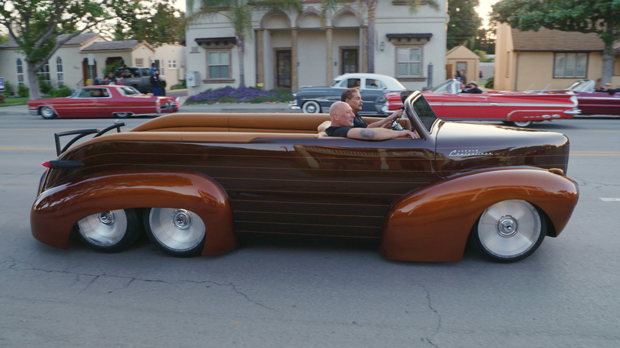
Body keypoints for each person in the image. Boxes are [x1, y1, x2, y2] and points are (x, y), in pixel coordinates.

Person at [318, 88, 403, 132]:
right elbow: (367, 129)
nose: (361, 101)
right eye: (358, 99)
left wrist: (382, 127)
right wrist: (393, 116)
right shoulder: (348, 119)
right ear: (348, 101)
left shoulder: (355, 115)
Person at [325, 102, 419, 140]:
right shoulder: (338, 131)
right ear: (336, 117)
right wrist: (402, 133)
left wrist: (382, 129)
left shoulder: (340, 128)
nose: (353, 115)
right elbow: (370, 134)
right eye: (348, 112)